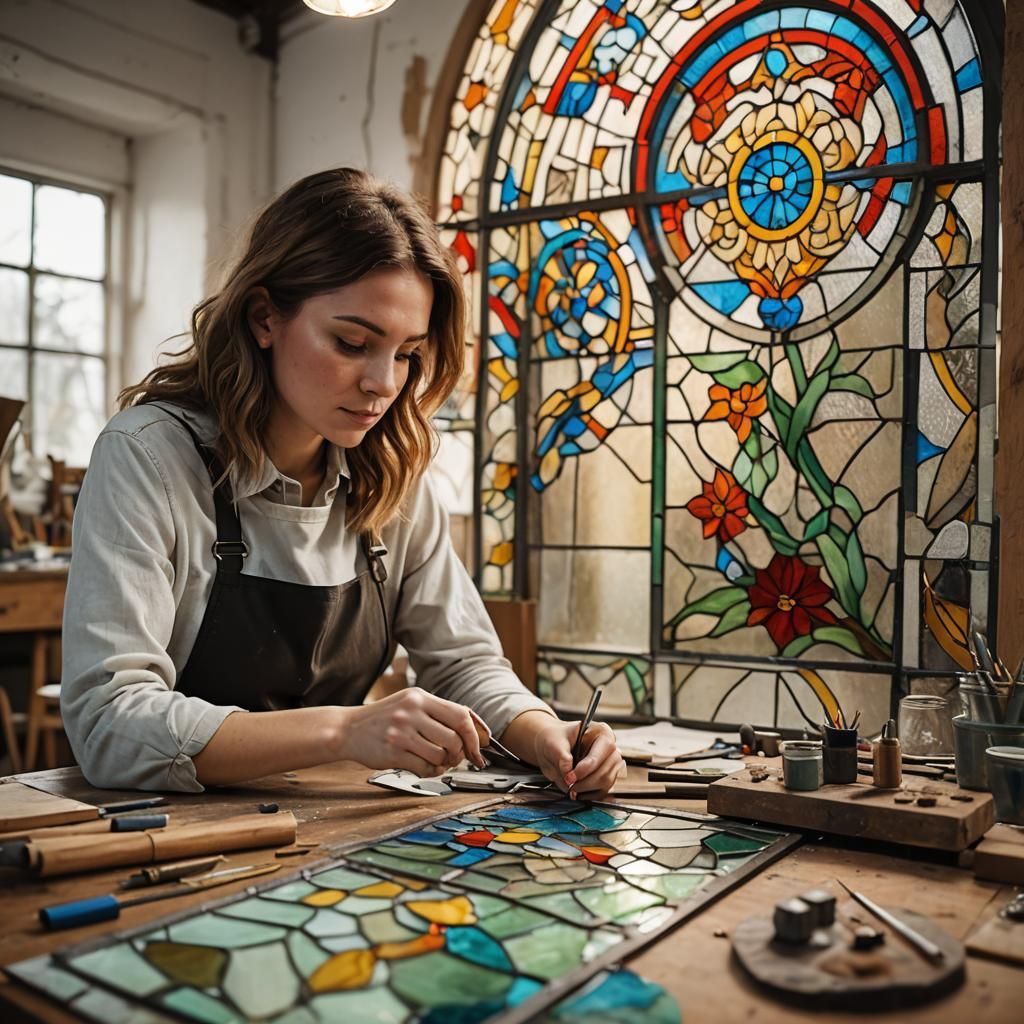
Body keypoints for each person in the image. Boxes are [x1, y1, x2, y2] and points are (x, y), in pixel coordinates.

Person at [61, 167, 624, 797]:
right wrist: (342, 732)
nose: (384, 383)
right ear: (264, 318)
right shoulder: (149, 457)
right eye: (353, 342)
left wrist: (544, 733)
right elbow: (108, 723)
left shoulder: (391, 475)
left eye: (408, 353)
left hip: (326, 824)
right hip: (164, 832)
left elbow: (465, 662)